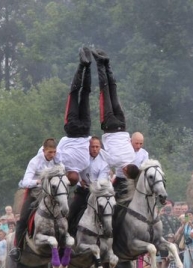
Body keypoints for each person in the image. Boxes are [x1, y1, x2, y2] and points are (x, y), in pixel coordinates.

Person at [11, 138, 59, 261]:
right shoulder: (34, 161)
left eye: (54, 152)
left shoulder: (57, 160)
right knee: (22, 219)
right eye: (49, 152)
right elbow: (25, 181)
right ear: (43, 150)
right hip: (35, 192)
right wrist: (37, 181)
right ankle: (17, 247)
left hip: (53, 193)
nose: (52, 155)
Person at [92, 49, 135, 179]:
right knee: (104, 91)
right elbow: (99, 151)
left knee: (113, 89)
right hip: (109, 127)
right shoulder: (114, 163)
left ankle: (107, 64)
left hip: (122, 125)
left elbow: (129, 141)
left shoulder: (132, 156)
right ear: (126, 171)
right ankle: (100, 63)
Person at [56, 47, 94, 186]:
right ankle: (81, 65)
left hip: (85, 130)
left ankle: (88, 67)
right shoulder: (63, 163)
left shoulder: (84, 164)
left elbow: (91, 146)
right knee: (73, 93)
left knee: (85, 94)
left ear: (77, 176)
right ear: (67, 175)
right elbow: (59, 145)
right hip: (71, 130)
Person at [67, 136, 110, 237]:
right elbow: (75, 170)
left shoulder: (104, 163)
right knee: (71, 211)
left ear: (100, 147)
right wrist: (78, 180)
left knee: (109, 212)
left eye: (97, 147)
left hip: (97, 194)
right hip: (82, 191)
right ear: (88, 147)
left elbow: (101, 181)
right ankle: (66, 237)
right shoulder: (82, 157)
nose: (94, 149)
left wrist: (92, 185)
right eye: (92, 147)